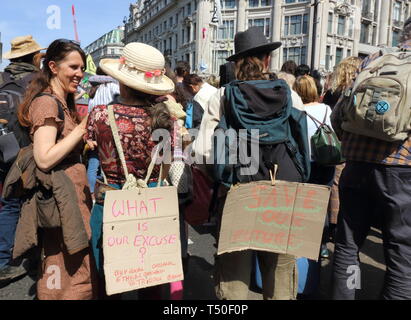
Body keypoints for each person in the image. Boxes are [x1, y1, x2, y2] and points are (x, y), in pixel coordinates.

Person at [194, 26, 310, 300]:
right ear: (267, 59)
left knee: (234, 274)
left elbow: (203, 152)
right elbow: (303, 146)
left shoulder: (223, 97)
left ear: (236, 63)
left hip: (238, 192)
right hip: (281, 189)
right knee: (280, 269)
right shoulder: (288, 94)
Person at [86, 42, 179, 299]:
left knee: (109, 275)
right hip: (150, 199)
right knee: (150, 275)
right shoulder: (166, 120)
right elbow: (165, 166)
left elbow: (89, 143)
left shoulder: (101, 115)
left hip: (112, 200)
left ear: (122, 82)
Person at [330, 17, 411, 300]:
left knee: (348, 246)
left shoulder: (374, 59)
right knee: (401, 253)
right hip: (402, 173)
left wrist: (353, 142)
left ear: (403, 34)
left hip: (356, 166)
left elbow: (338, 115)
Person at [16, 39, 98, 299]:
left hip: (71, 198)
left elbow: (59, 146)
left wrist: (83, 144)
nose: (80, 74)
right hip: (60, 204)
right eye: (73, 67)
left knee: (73, 268)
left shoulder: (62, 101)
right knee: (65, 272)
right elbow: (44, 158)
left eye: (82, 68)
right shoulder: (47, 103)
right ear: (52, 66)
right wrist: (82, 130)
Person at [0, 35, 45, 283]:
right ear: (34, 57)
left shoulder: (2, 78)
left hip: (2, 148)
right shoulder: (36, 81)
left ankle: (4, 260)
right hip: (28, 150)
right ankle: (35, 257)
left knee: (8, 202)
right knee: (34, 200)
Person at [322, 56, 362, 243]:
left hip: (338, 143)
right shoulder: (361, 90)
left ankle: (334, 225)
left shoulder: (334, 92)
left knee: (335, 185)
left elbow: (333, 119)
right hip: (360, 149)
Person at [86, 68, 120, 198]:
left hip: (94, 129)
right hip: (109, 128)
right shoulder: (112, 86)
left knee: (93, 162)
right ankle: (108, 190)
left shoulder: (93, 90)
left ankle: (91, 193)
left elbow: (90, 111)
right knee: (111, 161)